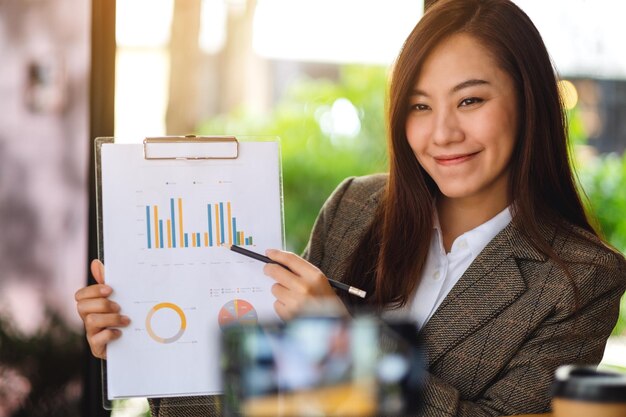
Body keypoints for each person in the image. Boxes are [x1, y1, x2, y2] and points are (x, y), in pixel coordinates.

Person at [75, 0, 626, 415]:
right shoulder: (357, 208)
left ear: (528, 100)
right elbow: (266, 400)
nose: (442, 132)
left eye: (470, 100)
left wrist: (340, 347)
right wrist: (148, 348)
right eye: (418, 105)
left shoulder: (580, 278)